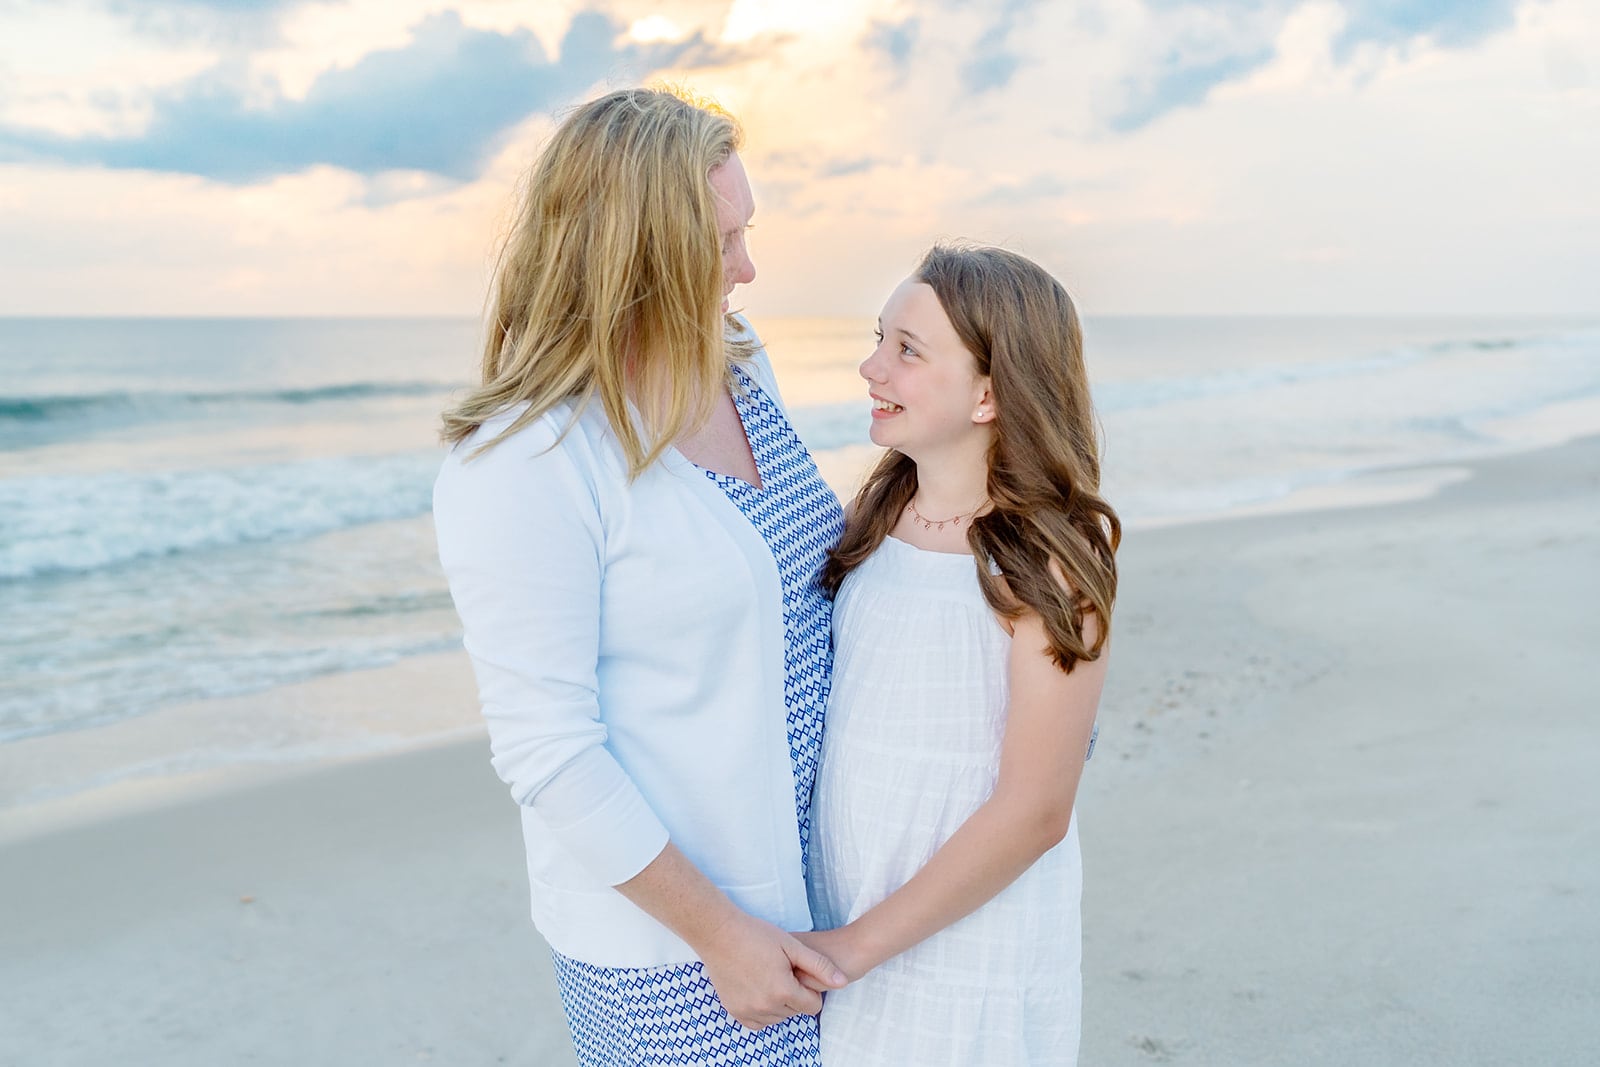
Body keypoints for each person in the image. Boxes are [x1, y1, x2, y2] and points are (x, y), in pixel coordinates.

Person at [431, 87, 846, 1066]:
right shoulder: (524, 459)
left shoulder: (738, 363)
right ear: (636, 260)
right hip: (684, 953)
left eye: (747, 231)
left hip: (825, 895)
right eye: (719, 245)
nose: (748, 268)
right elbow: (549, 754)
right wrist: (722, 937)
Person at [797, 244, 1120, 1065]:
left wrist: (855, 946)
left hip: (969, 940)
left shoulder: (1049, 560)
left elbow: (1036, 810)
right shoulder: (876, 514)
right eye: (879, 338)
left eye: (907, 349)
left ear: (989, 392)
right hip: (849, 907)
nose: (872, 366)